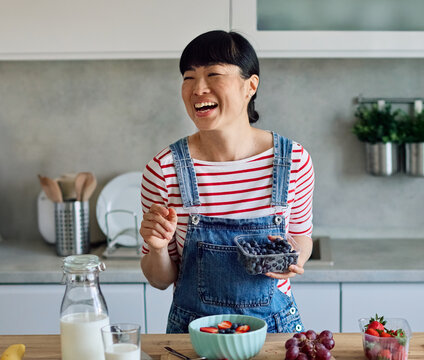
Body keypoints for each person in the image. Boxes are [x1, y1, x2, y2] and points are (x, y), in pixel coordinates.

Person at [140, 30, 314, 334]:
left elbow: (302, 238)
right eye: (188, 77)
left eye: (213, 73)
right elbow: (159, 279)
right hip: (194, 336)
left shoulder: (293, 161)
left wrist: (292, 257)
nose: (198, 88)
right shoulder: (164, 169)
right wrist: (156, 248)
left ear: (250, 85)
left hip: (273, 332)